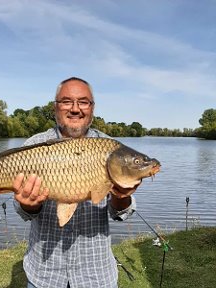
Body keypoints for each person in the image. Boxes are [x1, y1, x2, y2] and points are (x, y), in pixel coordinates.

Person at [13, 77, 139, 288]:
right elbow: (23, 211)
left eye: (83, 102)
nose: (75, 109)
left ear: (92, 108)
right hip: (44, 275)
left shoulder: (110, 149)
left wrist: (121, 197)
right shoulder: (34, 145)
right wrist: (28, 204)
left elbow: (121, 213)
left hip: (96, 276)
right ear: (55, 107)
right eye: (66, 101)